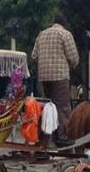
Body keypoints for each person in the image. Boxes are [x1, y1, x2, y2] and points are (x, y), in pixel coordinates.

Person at [31, 13, 79, 146]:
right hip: (60, 75)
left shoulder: (42, 34)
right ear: (64, 23)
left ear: (53, 22)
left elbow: (34, 55)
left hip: (43, 76)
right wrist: (72, 66)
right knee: (62, 106)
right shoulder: (65, 34)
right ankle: (62, 136)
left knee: (47, 107)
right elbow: (73, 57)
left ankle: (46, 137)